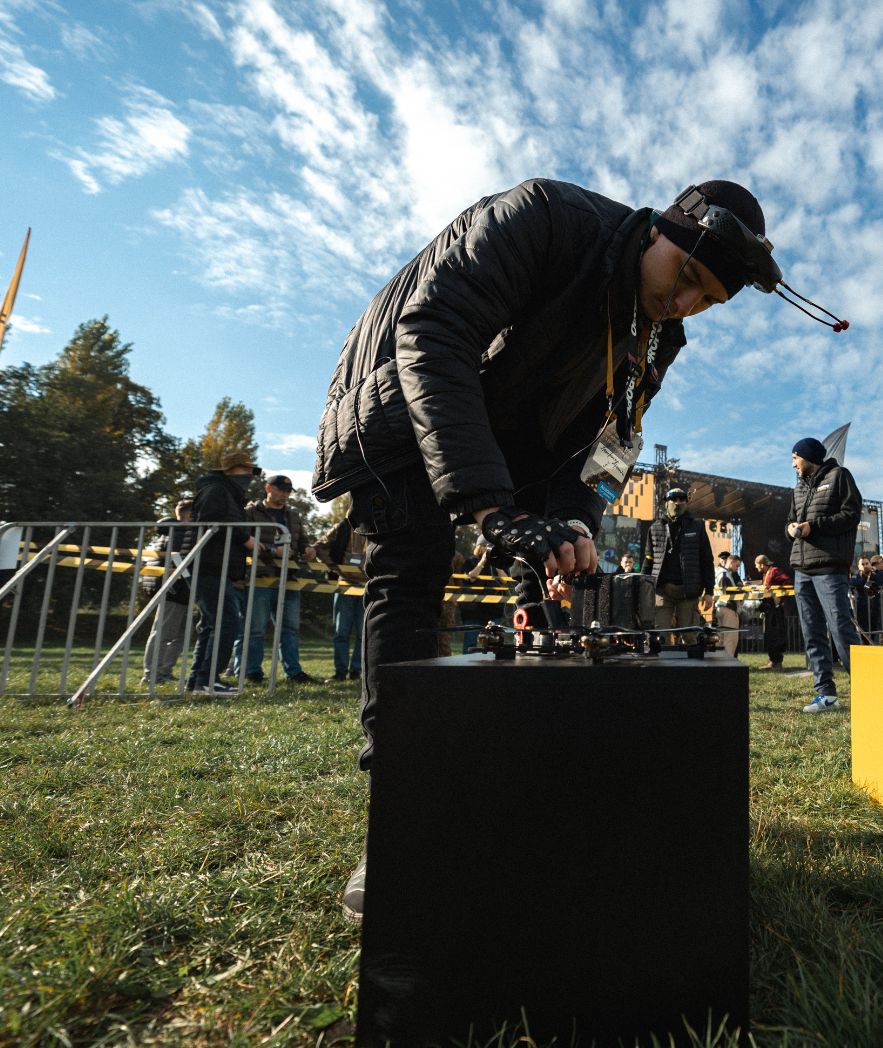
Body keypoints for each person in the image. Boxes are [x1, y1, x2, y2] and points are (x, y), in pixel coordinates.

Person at [313, 177, 794, 921]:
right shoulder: (543, 217)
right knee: (411, 576)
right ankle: (398, 825)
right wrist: (489, 505)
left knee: (539, 605)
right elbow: (432, 332)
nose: (685, 303)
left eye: (709, 301)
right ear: (664, 227)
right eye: (687, 277)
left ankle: (506, 795)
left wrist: (572, 519)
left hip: (500, 443)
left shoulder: (657, 339)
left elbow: (610, 448)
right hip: (398, 403)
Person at [786, 437, 864, 712]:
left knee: (840, 628)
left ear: (807, 456)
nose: (793, 463)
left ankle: (868, 690)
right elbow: (790, 519)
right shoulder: (798, 488)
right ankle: (826, 695)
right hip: (802, 569)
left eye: (795, 457)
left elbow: (852, 514)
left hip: (830, 568)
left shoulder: (839, 475)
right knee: (812, 632)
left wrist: (814, 526)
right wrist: (791, 527)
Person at [186, 451, 266, 695]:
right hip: (210, 566)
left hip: (214, 567)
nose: (249, 477)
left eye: (251, 472)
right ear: (228, 471)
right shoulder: (217, 491)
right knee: (227, 622)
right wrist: (246, 540)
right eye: (244, 471)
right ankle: (209, 679)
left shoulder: (226, 492)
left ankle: (198, 681)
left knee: (213, 625)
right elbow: (213, 522)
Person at [236, 475, 318, 684]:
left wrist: (308, 550)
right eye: (281, 490)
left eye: (288, 492)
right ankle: (250, 672)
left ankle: (293, 673)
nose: (285, 495)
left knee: (290, 629)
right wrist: (274, 551)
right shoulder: (249, 513)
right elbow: (242, 542)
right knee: (254, 629)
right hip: (258, 579)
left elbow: (302, 541)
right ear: (267, 489)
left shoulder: (294, 515)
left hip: (289, 580)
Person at [642, 488, 713, 638]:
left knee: (690, 637)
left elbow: (707, 560)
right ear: (666, 502)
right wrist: (642, 589)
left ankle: (692, 662)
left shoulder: (698, 527)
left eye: (682, 500)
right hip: (662, 591)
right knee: (661, 638)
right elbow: (648, 561)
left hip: (689, 591)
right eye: (673, 500)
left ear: (686, 502)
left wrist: (709, 592)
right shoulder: (655, 528)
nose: (677, 503)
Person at [142, 499, 195, 683]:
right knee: (164, 633)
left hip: (179, 590)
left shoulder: (172, 531)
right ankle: (151, 675)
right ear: (189, 516)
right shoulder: (180, 533)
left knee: (178, 635)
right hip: (175, 589)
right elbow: (181, 561)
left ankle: (163, 672)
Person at [316, 511, 367, 682]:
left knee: (364, 633)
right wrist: (331, 566)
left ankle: (356, 672)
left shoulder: (377, 528)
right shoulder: (342, 527)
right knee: (341, 633)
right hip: (345, 585)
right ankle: (340, 672)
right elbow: (318, 547)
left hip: (369, 587)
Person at [755, 554, 793, 671]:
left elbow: (788, 581)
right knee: (770, 635)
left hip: (776, 608)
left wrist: (779, 594)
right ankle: (772, 661)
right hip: (769, 607)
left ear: (762, 564)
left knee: (776, 634)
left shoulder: (774, 571)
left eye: (756, 565)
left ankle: (777, 662)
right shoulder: (766, 574)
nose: (756, 568)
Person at [714, 553, 745, 657]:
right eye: (737, 565)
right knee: (730, 639)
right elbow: (727, 593)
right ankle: (729, 665)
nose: (737, 568)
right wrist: (742, 590)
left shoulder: (723, 573)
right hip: (728, 609)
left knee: (721, 639)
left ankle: (720, 664)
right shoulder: (724, 574)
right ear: (731, 562)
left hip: (722, 608)